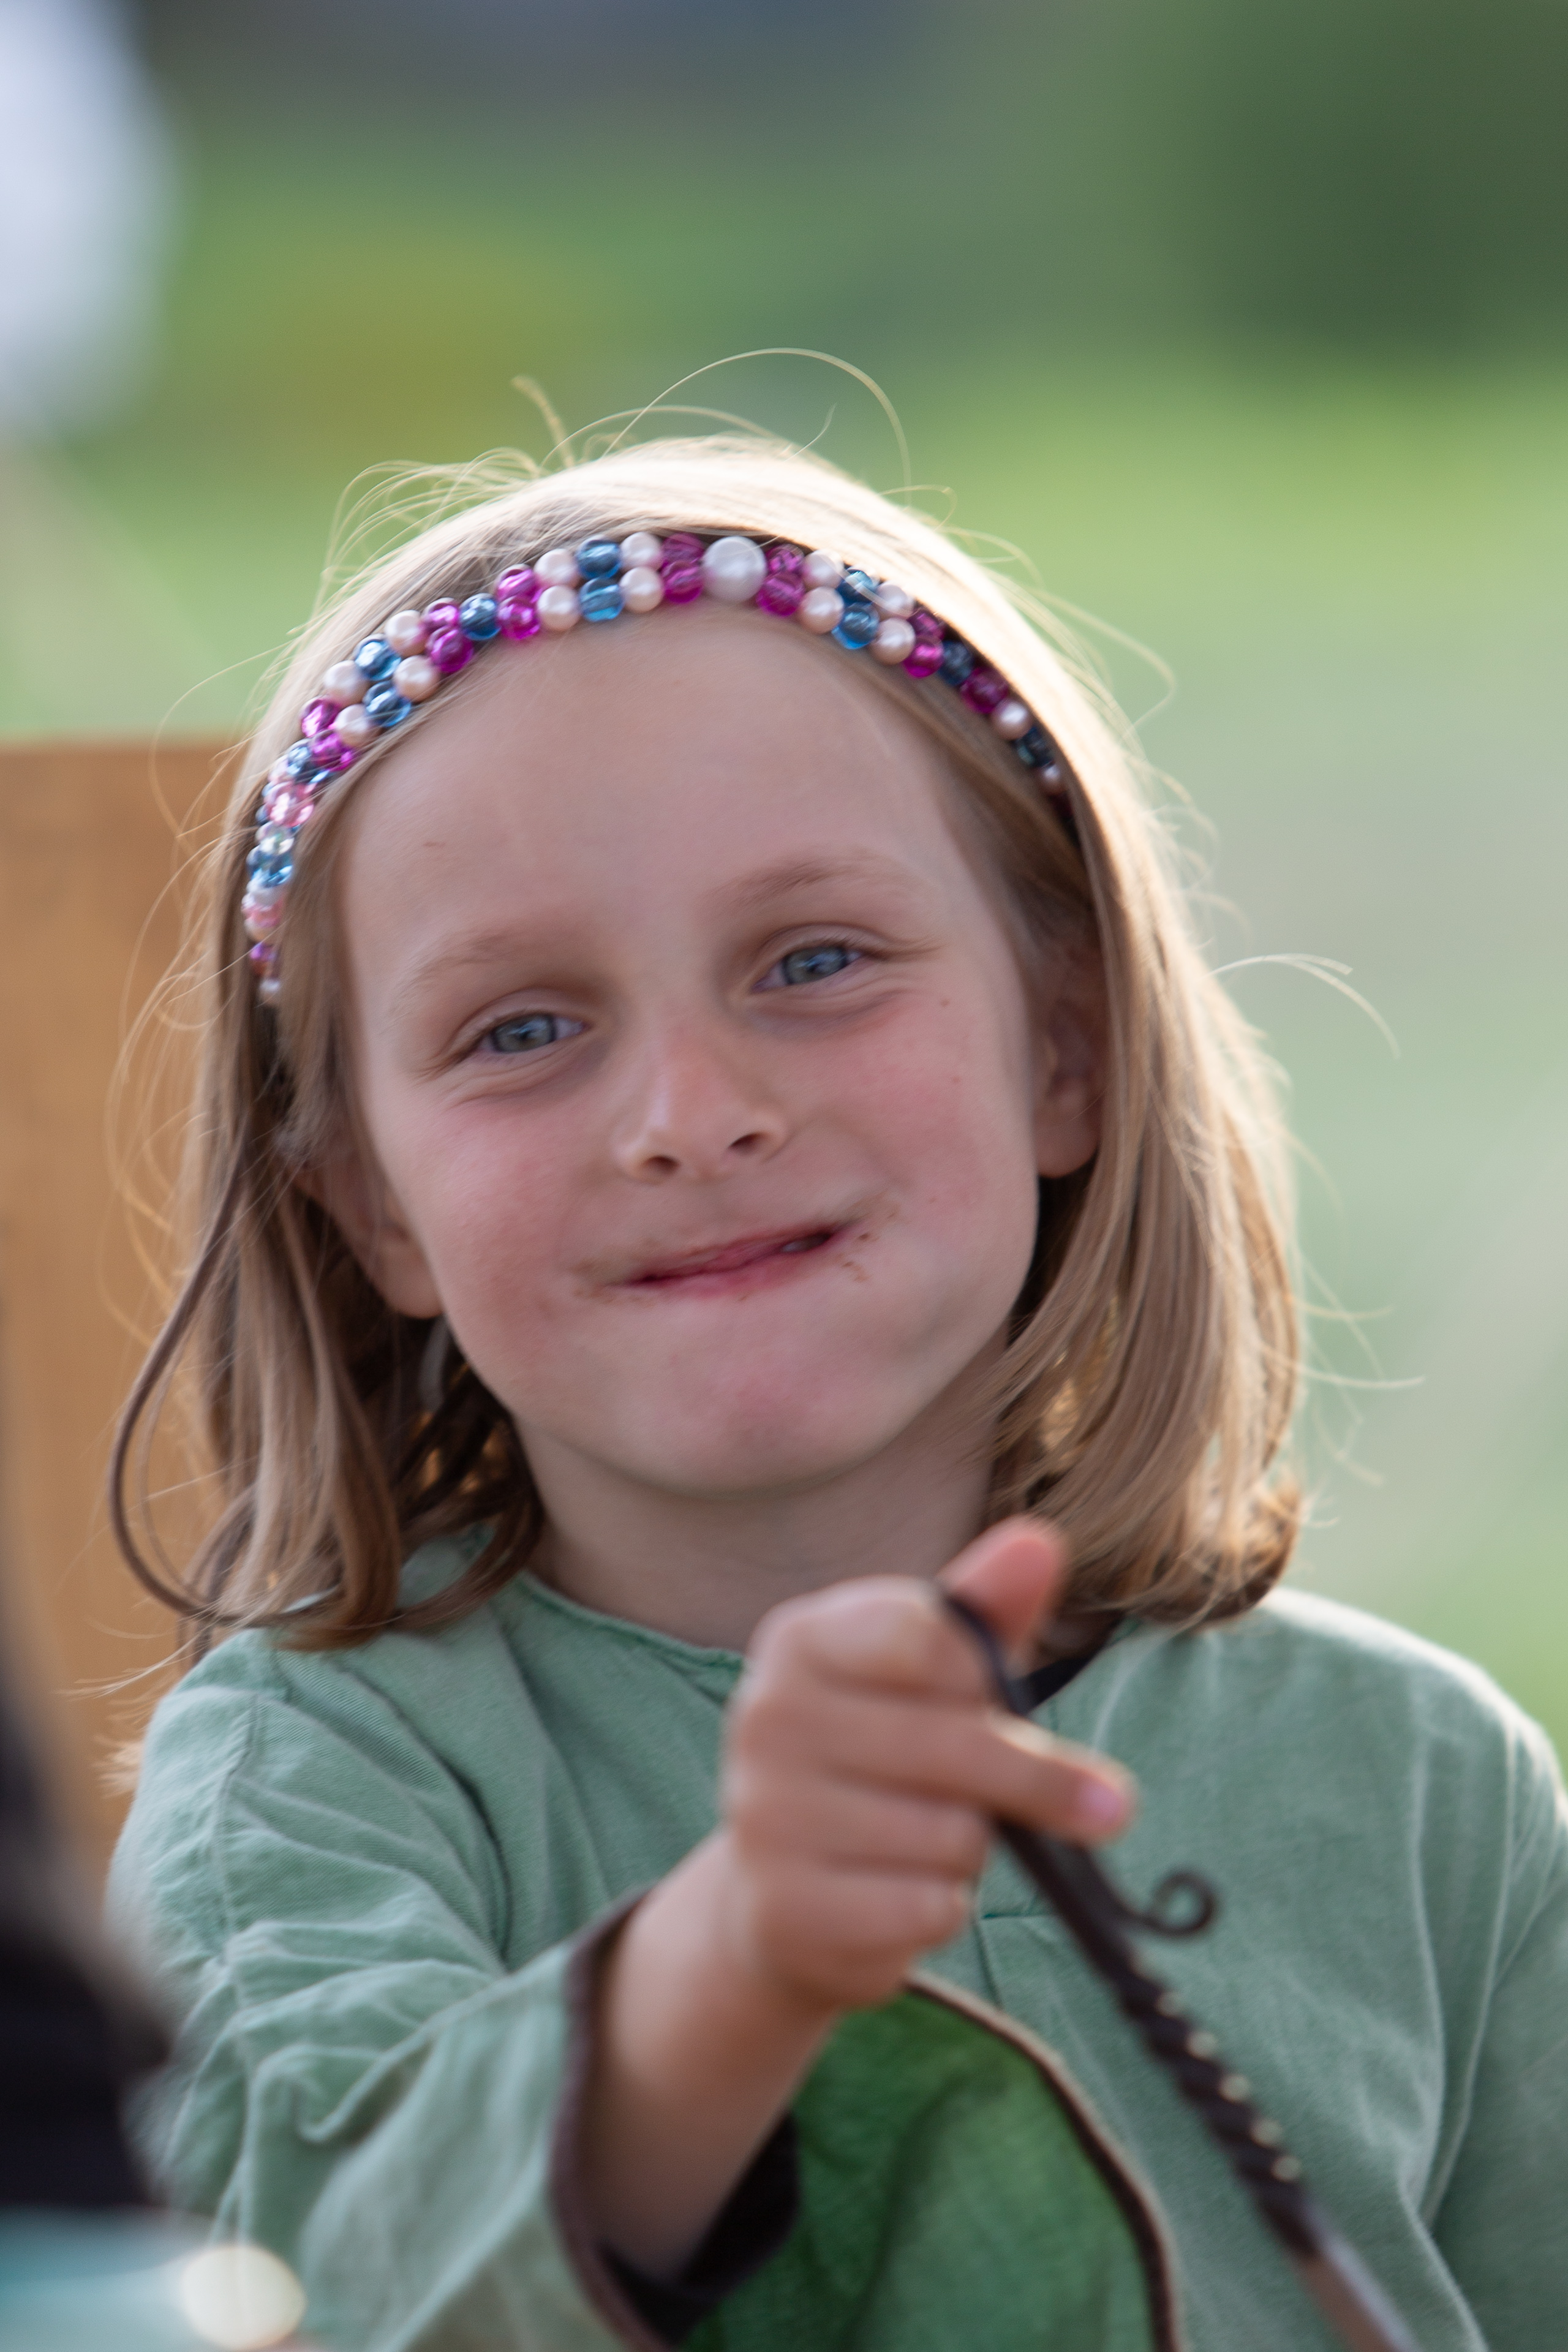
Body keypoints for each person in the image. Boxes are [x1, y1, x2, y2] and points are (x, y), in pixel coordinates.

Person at [107, 434, 1568, 2352]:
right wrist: (735, 1967)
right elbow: (317, 2291)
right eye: (522, 1027)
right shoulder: (313, 1789)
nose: (692, 1113)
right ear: (374, 1204)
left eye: (814, 961)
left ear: (1067, 1048)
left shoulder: (1424, 1782)